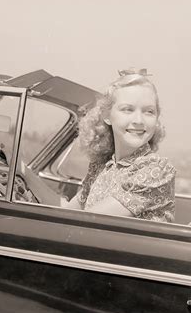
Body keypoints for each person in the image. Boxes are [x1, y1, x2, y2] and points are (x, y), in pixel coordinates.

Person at [64, 68, 176, 222]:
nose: (139, 120)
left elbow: (85, 220)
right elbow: (65, 211)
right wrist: (26, 176)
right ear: (106, 116)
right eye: (127, 109)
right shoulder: (101, 166)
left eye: (149, 111)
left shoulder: (157, 170)